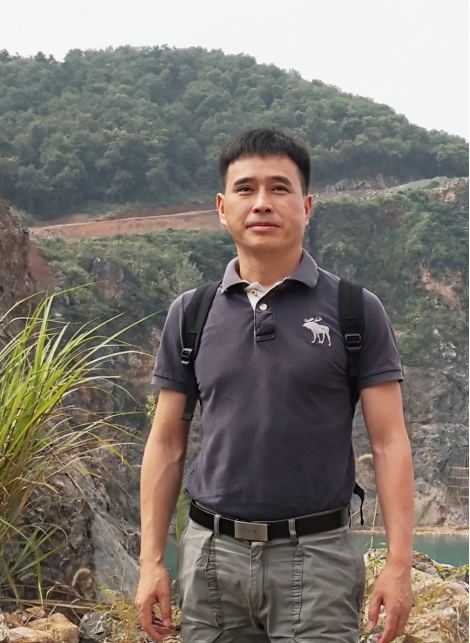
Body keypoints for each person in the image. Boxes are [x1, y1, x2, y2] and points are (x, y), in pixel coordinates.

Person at [136, 129, 415, 643]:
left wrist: (400, 565)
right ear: (222, 208)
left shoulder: (355, 310)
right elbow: (167, 443)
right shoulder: (191, 313)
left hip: (319, 558)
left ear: (306, 207)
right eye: (245, 189)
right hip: (210, 558)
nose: (262, 202)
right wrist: (151, 561)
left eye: (279, 188)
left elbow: (389, 440)